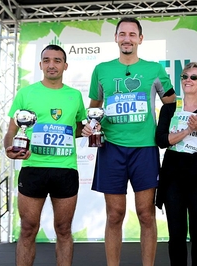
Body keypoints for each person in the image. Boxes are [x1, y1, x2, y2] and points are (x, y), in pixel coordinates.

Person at [81, 17, 176, 266]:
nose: (127, 39)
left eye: (132, 34)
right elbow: (93, 109)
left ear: (140, 39)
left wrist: (162, 133)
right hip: (111, 148)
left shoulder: (154, 69)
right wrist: (94, 125)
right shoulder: (101, 70)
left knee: (146, 214)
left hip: (144, 149)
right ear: (115, 38)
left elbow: (171, 102)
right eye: (122, 34)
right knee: (114, 215)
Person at [4, 44, 86, 266]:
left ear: (65, 65)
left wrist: (88, 130)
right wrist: (9, 149)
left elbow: (77, 128)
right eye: (47, 60)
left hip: (66, 170)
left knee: (64, 229)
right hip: (33, 168)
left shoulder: (75, 95)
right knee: (28, 229)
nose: (52, 65)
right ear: (40, 64)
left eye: (57, 60)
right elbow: (12, 131)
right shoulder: (26, 93)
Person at [155, 62, 197, 266]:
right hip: (173, 173)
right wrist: (187, 131)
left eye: (194, 77)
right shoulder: (169, 108)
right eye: (184, 76)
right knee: (176, 234)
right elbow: (161, 140)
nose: (188, 80)